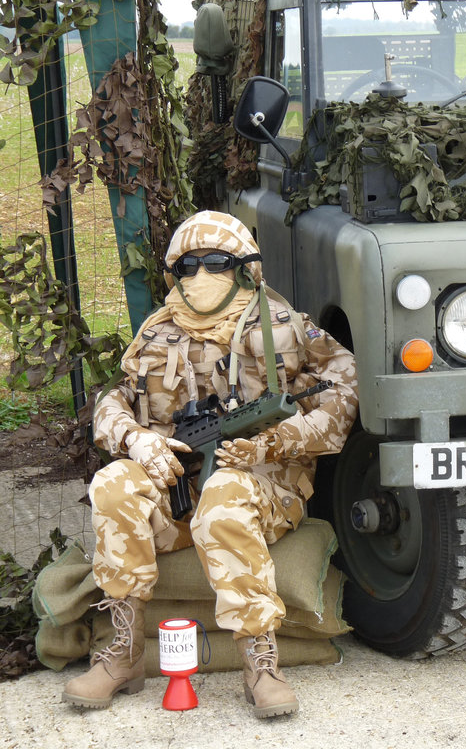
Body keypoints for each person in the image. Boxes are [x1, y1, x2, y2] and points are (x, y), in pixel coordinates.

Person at [62, 211, 358, 718]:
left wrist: (280, 440)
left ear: (244, 268)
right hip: (176, 485)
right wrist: (138, 442)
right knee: (113, 482)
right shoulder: (156, 333)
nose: (200, 275)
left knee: (225, 497)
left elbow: (345, 391)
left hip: (260, 485)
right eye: (188, 266)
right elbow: (112, 401)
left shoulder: (284, 327)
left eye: (216, 263)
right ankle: (124, 654)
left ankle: (260, 662)